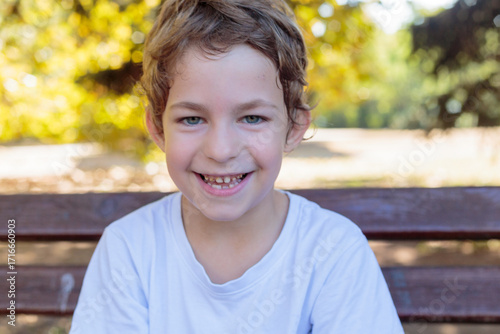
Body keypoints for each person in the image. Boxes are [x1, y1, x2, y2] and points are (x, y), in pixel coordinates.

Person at [70, 0, 404, 333]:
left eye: (252, 118)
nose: (221, 149)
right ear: (158, 128)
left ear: (294, 128)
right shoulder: (129, 249)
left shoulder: (333, 250)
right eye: (192, 119)